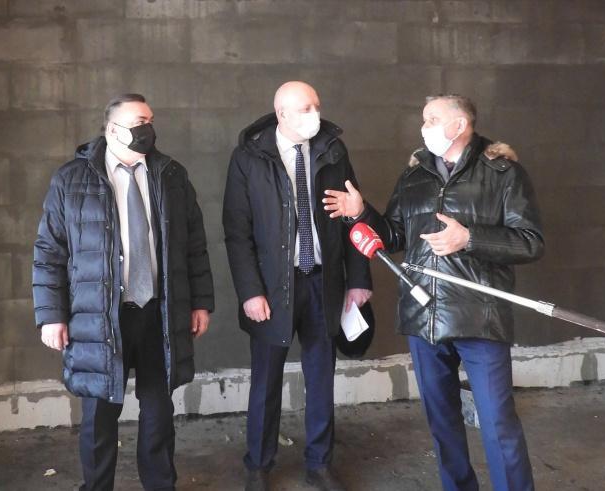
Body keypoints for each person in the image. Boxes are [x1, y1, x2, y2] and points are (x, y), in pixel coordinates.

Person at [323, 94, 543, 491]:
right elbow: (394, 236)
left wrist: (470, 238)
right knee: (442, 423)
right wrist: (362, 212)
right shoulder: (415, 175)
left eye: (432, 119)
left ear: (459, 125)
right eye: (424, 120)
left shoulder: (502, 173)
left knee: (498, 423)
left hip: (480, 317)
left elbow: (530, 242)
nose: (424, 128)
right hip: (423, 316)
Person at [33, 93, 214, 491]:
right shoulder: (71, 180)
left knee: (159, 413)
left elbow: (194, 245)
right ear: (113, 129)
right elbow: (49, 251)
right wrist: (51, 315)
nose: (147, 129)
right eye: (138, 122)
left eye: (150, 120)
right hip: (99, 316)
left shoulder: (171, 175)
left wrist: (201, 302)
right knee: (99, 417)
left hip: (158, 313)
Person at [222, 81, 373, 491]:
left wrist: (358, 280)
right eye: (305, 108)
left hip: (325, 283)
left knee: (322, 379)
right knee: (265, 382)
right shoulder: (249, 157)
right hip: (272, 290)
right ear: (282, 113)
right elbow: (237, 232)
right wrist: (251, 291)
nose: (315, 114)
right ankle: (258, 466)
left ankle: (320, 464)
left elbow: (354, 218)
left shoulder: (333, 151)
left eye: (317, 105)